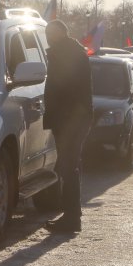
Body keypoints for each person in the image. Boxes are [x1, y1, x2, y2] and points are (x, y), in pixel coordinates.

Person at [43, 19, 93, 234]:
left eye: (51, 33)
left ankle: (71, 219)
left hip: (71, 120)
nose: (48, 37)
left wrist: (59, 115)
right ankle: (72, 216)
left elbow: (63, 88)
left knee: (68, 167)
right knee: (68, 166)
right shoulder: (69, 51)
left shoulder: (65, 54)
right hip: (71, 118)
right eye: (47, 33)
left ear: (60, 34)